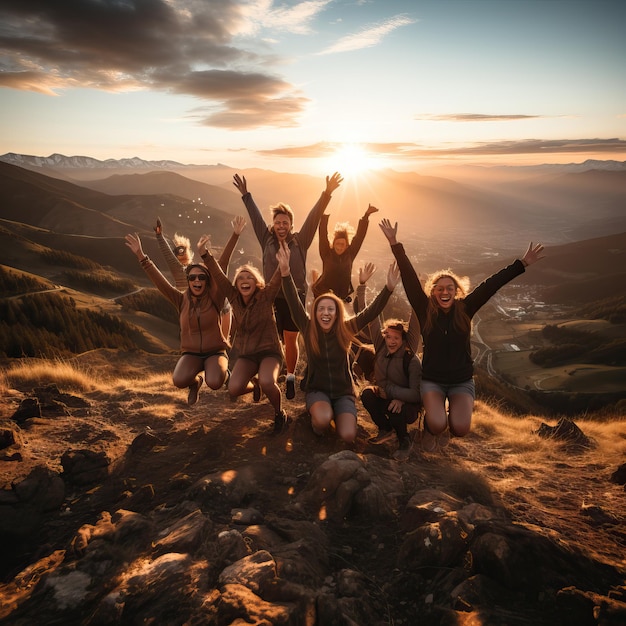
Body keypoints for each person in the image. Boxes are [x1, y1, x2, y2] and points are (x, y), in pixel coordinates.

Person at [379, 218, 545, 451]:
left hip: (461, 381)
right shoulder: (424, 309)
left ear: (456, 291)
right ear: (433, 292)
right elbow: (408, 276)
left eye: (449, 288)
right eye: (439, 289)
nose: (444, 292)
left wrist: (522, 264)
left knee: (460, 428)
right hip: (433, 381)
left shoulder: (466, 308)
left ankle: (447, 421)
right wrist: (394, 243)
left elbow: (491, 285)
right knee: (437, 425)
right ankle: (430, 427)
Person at [233, 171, 343, 400]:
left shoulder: (300, 241)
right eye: (277, 222)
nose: (281, 226)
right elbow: (255, 218)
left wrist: (327, 193)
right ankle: (262, 377)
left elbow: (314, 217)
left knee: (290, 338)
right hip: (270, 297)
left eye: (285, 222)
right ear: (273, 225)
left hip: (295, 296)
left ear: (291, 224)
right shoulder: (266, 239)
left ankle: (290, 376)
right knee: (269, 338)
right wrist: (246, 195)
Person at [276, 241, 400, 444]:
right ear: (315, 312)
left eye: (331, 309)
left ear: (337, 313)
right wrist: (285, 272)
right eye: (321, 309)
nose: (325, 313)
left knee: (348, 436)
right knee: (323, 423)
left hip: (343, 393)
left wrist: (388, 288)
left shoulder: (346, 329)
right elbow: (292, 301)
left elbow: (370, 313)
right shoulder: (308, 327)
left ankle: (332, 412)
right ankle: (318, 418)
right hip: (318, 389)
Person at [197, 232, 290, 434]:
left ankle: (279, 412)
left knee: (268, 381)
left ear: (256, 283)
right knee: (234, 388)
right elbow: (219, 276)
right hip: (247, 355)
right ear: (237, 284)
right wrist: (205, 255)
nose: (245, 280)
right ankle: (255, 385)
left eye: (249, 277)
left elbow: (276, 280)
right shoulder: (233, 296)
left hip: (269, 353)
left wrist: (283, 267)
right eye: (241, 278)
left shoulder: (266, 296)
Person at [125, 232, 229, 405]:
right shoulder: (181, 299)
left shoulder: (215, 299)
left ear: (208, 281)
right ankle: (195, 382)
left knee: (215, 382)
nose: (197, 280)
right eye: (192, 278)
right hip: (191, 353)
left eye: (202, 277)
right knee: (179, 381)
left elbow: (222, 268)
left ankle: (224, 373)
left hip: (215, 351)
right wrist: (141, 256)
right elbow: (161, 282)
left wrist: (233, 235)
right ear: (188, 281)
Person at [356, 263, 422, 461]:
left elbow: (417, 393)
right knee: (367, 394)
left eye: (396, 338)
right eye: (389, 337)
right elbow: (371, 316)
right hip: (386, 396)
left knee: (395, 408)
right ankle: (385, 430)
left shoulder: (410, 356)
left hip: (408, 404)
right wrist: (361, 286)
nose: (392, 341)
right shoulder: (381, 346)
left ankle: (404, 440)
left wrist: (396, 395)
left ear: (403, 340)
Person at [154, 216, 245, 339]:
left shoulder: (208, 278)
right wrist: (159, 237)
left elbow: (223, 263)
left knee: (218, 345)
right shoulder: (184, 277)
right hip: (196, 316)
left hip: (220, 313)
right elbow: (171, 260)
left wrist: (235, 235)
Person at [311, 204, 379, 301]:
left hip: (341, 297)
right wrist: (324, 217)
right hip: (323, 295)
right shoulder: (326, 254)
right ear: (333, 244)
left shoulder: (350, 254)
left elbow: (359, 237)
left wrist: (366, 216)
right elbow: (323, 236)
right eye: (337, 244)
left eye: (342, 244)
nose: (339, 247)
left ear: (347, 246)